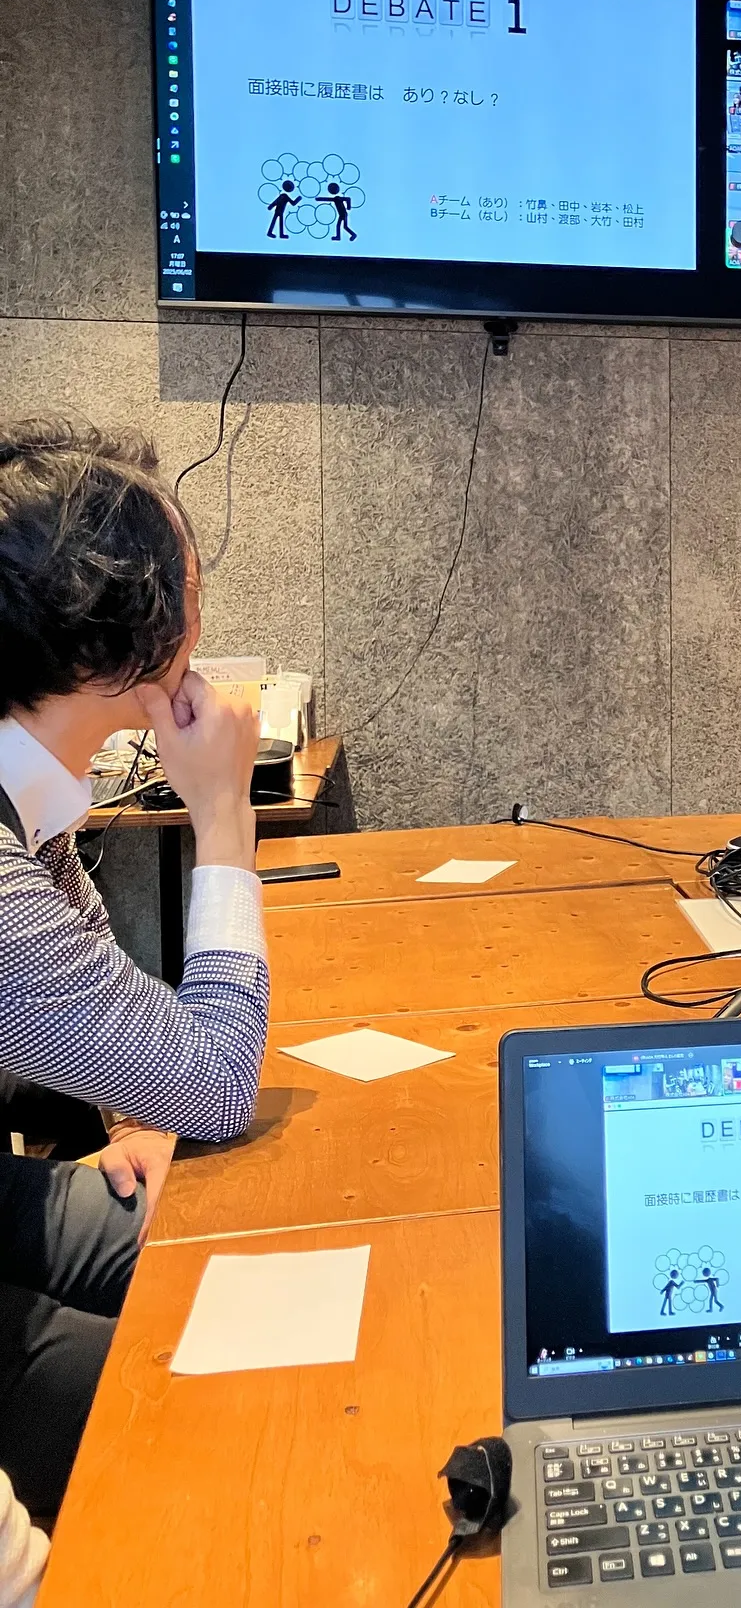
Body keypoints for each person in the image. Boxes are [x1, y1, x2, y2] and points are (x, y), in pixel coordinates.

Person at [0, 422, 269, 1517]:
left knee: (250, 1248)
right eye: (186, 585)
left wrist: (138, 1107)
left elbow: (102, 1001)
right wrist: (223, 813)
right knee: (227, 1387)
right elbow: (219, 1083)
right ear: (115, 637)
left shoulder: (29, 788)